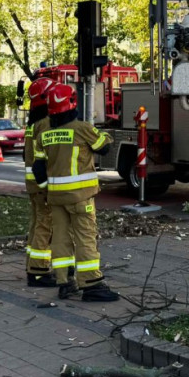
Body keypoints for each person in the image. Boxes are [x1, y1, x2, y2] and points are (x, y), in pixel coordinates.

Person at [33, 84, 119, 302]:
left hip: (56, 198)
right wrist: (106, 135)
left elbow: (38, 168)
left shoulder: (45, 134)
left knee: (60, 240)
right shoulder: (81, 128)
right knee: (85, 238)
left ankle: (64, 283)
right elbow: (104, 147)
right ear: (71, 103)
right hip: (80, 197)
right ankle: (92, 285)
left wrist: (47, 190)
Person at [23, 77, 57, 287]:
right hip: (42, 184)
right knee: (45, 226)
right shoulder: (45, 124)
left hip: (33, 185)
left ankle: (31, 265)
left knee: (37, 224)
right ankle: (38, 271)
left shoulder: (33, 123)